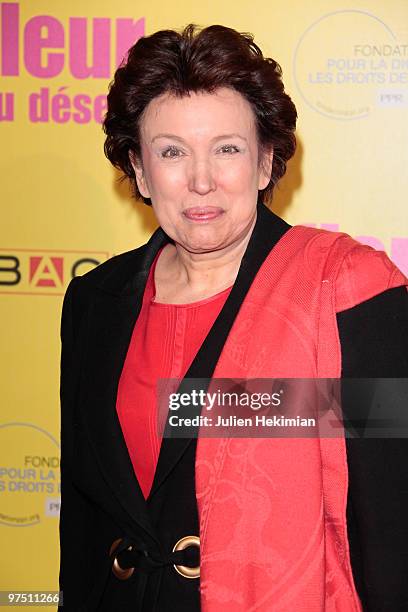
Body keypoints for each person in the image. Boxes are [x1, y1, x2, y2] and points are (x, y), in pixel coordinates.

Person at [58, 23, 408, 612]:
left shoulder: (348, 290)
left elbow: (391, 525)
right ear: (140, 172)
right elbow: (85, 514)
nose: (201, 180)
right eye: (171, 152)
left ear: (267, 162)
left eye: (227, 148)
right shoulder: (95, 299)